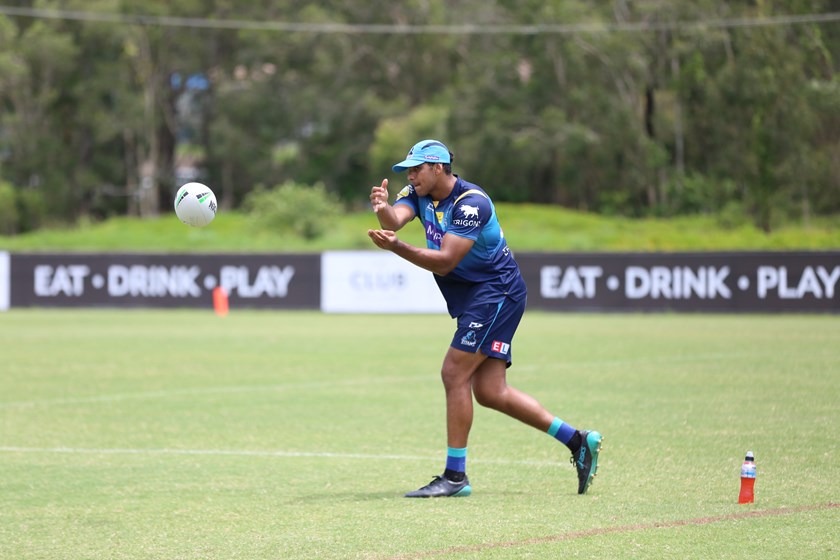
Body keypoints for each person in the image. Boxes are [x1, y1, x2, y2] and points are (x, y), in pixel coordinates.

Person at [367, 139, 603, 498]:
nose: (410, 176)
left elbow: (446, 261)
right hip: (478, 296)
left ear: (438, 167)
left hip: (497, 293)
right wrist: (383, 209)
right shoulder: (418, 193)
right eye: (408, 171)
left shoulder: (471, 204)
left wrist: (397, 247)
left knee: (453, 373)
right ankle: (577, 440)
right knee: (491, 392)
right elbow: (395, 221)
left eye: (416, 169)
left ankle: (455, 476)